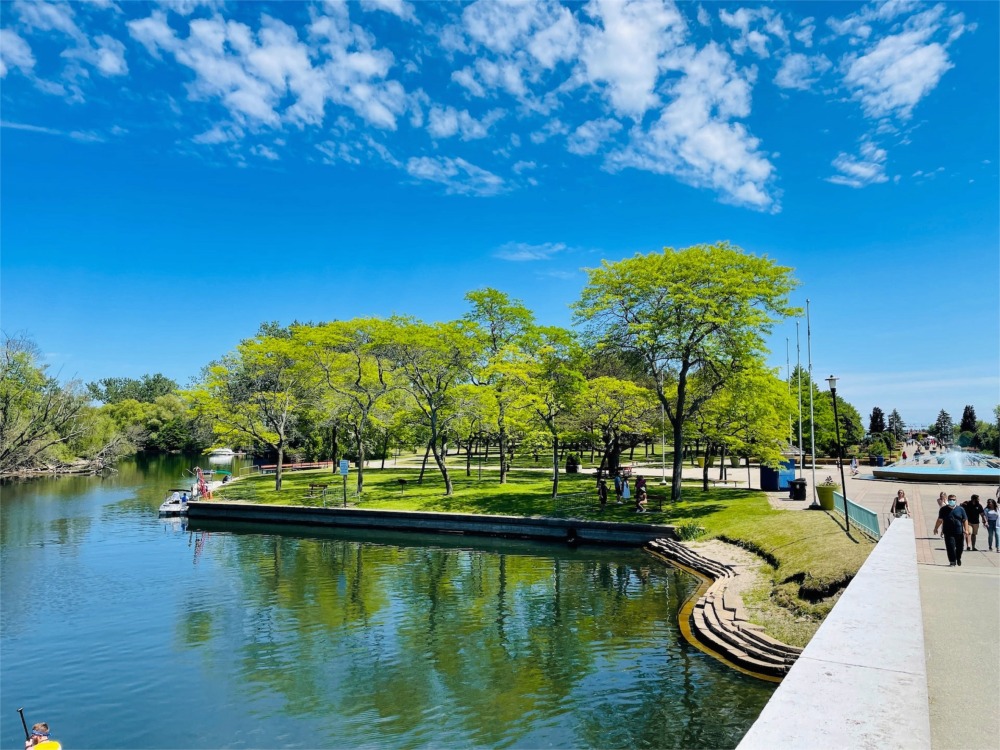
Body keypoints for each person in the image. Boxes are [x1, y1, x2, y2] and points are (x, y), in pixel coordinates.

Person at [933, 495, 969, 567]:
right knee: (950, 547)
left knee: (960, 547)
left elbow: (965, 520)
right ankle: (952, 561)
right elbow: (940, 520)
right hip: (948, 531)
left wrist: (966, 530)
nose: (952, 501)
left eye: (953, 500)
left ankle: (958, 558)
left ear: (956, 500)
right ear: (948, 500)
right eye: (950, 499)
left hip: (959, 531)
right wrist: (936, 528)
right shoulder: (943, 509)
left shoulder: (961, 509)